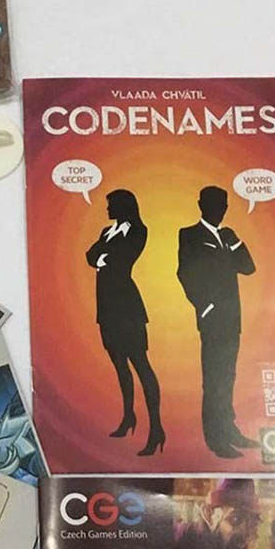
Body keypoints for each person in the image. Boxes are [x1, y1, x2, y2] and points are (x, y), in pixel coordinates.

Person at [177, 186, 257, 459]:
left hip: (232, 319)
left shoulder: (227, 236)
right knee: (214, 379)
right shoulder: (189, 235)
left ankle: (229, 430)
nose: (220, 209)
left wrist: (234, 241)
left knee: (228, 376)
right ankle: (215, 439)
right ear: (201, 205)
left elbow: (248, 267)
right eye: (214, 204)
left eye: (223, 205)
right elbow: (184, 272)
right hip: (212, 319)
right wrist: (204, 305)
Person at [86, 190, 164, 456]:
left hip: (128, 310)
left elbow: (120, 261)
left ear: (122, 206)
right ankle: (129, 416)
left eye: (111, 205)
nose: (107, 209)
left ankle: (156, 428)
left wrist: (101, 258)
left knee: (141, 365)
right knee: (119, 365)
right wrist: (102, 258)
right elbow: (90, 255)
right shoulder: (107, 232)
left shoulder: (138, 231)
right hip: (107, 308)